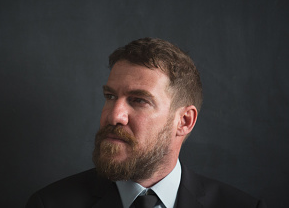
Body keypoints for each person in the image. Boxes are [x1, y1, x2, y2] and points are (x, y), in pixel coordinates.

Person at [26, 38, 266, 208]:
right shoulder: (49, 204)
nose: (114, 116)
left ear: (184, 121)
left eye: (139, 100)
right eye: (110, 96)